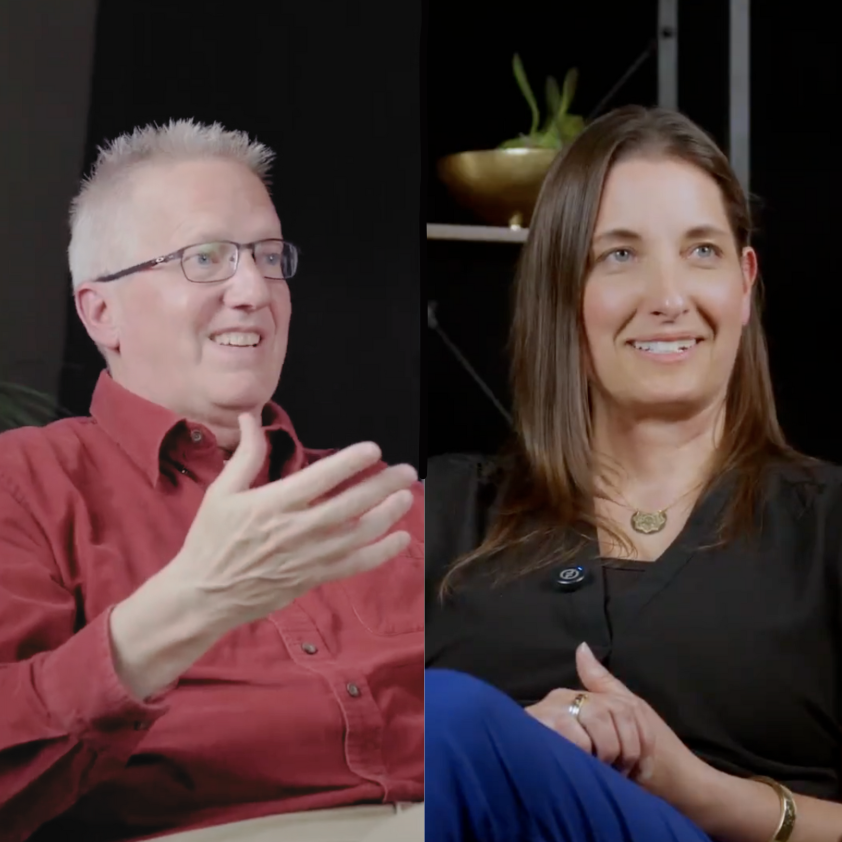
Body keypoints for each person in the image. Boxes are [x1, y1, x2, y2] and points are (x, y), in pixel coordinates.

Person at [425, 106, 842, 841]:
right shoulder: (446, 512)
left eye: (702, 251)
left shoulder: (828, 526)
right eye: (620, 255)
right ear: (561, 287)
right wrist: (515, 751)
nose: (669, 299)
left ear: (745, 284)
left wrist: (697, 790)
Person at [0, 120, 424, 842]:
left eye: (268, 256)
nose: (254, 290)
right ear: (101, 312)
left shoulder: (382, 496)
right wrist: (191, 605)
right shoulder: (25, 487)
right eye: (205, 258)